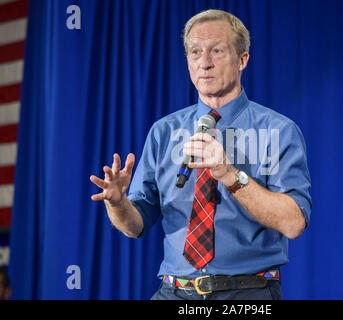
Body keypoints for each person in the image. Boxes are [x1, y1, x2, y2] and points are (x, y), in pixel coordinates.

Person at [90, 9, 312, 300]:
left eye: (217, 50)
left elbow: (293, 223)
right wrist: (118, 204)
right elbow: (135, 226)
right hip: (175, 292)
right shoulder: (163, 131)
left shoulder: (279, 131)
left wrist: (229, 175)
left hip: (247, 294)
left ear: (242, 59)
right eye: (195, 52)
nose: (204, 62)